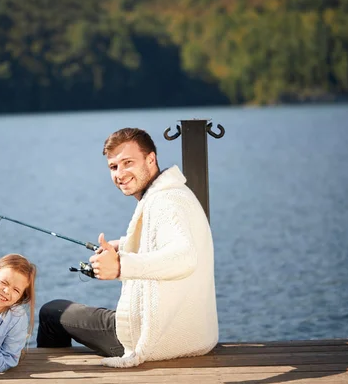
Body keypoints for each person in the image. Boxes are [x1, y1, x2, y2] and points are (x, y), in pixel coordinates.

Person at [37, 127, 218, 368]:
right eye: (113, 167)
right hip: (190, 332)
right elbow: (163, 241)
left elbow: (184, 257)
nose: (120, 174)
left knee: (52, 313)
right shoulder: (173, 192)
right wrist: (123, 245)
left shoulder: (165, 202)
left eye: (128, 163)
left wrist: (121, 266)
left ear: (151, 159)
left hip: (159, 338)